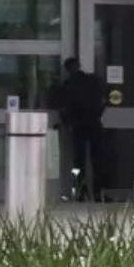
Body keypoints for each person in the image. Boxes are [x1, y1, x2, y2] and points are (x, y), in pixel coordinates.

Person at [51, 57, 108, 201]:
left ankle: (81, 193)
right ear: (79, 66)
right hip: (94, 123)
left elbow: (63, 108)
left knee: (79, 162)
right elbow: (103, 100)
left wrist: (68, 124)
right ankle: (98, 193)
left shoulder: (68, 85)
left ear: (67, 69)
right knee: (98, 161)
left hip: (78, 126)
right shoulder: (93, 81)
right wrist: (97, 115)